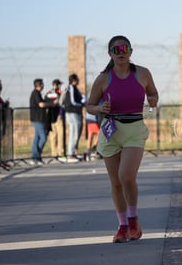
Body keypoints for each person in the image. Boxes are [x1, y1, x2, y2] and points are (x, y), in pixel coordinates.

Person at [86, 35, 158, 243]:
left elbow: (153, 93)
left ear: (131, 51)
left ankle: (133, 219)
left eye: (124, 49)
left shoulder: (143, 73)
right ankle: (123, 225)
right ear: (110, 53)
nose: (121, 53)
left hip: (134, 129)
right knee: (116, 182)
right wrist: (99, 108)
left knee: (126, 176)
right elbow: (89, 105)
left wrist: (152, 100)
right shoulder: (103, 78)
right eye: (116, 50)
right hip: (111, 131)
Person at [62, 73, 85, 163]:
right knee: (74, 133)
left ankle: (73, 153)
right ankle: (70, 154)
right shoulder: (71, 88)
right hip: (72, 112)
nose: (78, 81)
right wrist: (81, 104)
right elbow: (72, 101)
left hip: (74, 112)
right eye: (77, 79)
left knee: (75, 133)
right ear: (73, 81)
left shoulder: (74, 88)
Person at [29, 78, 53, 165]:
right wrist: (52, 104)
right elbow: (41, 104)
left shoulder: (38, 93)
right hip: (37, 119)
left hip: (40, 119)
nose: (43, 85)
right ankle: (36, 156)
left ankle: (35, 157)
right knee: (43, 137)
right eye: (42, 84)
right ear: (38, 85)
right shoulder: (35, 93)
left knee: (37, 138)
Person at [45, 79, 65, 159]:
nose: (60, 86)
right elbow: (62, 103)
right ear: (56, 85)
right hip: (57, 116)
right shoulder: (60, 93)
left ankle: (54, 153)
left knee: (53, 136)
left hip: (50, 117)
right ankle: (60, 153)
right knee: (60, 135)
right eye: (59, 85)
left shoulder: (47, 93)